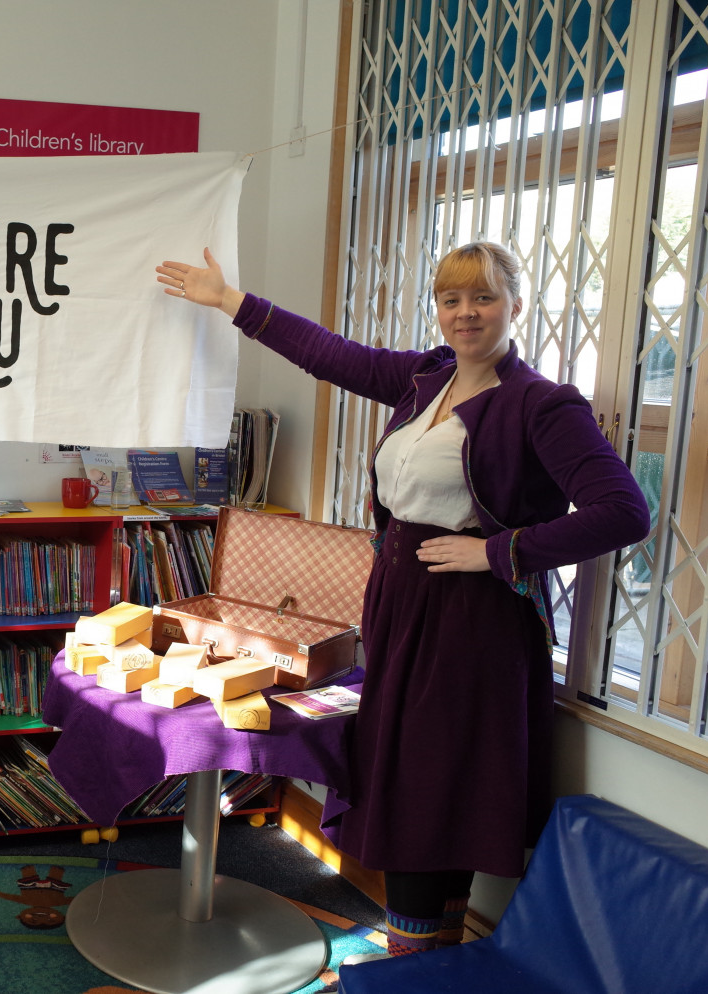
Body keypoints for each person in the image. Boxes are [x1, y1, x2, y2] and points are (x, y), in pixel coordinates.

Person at [155, 243, 650, 957]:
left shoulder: (541, 404)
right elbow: (328, 353)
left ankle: (413, 956)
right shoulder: (427, 376)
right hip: (401, 606)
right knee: (417, 781)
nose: (465, 313)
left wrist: (496, 552)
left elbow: (624, 511)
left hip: (469, 625)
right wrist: (229, 300)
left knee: (427, 788)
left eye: (481, 297)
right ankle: (428, 955)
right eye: (451, 299)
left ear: (515, 300)